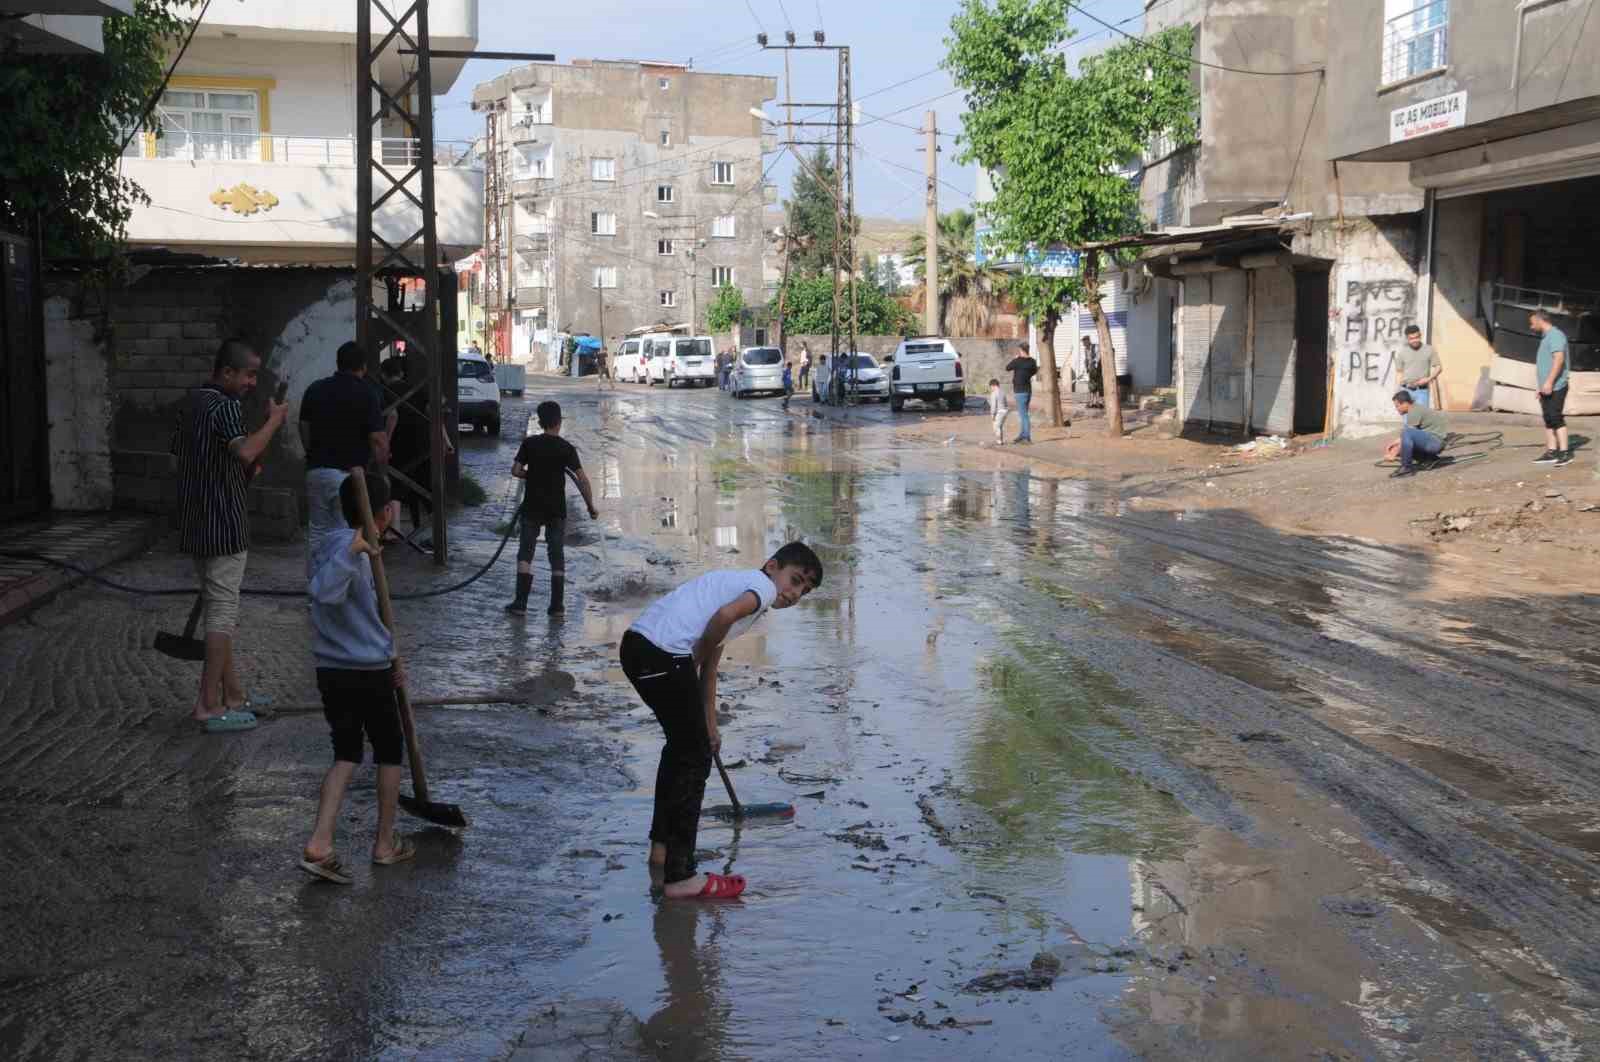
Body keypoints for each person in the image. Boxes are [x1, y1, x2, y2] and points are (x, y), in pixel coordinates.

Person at [621, 542, 823, 899]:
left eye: (803, 591)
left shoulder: (741, 590)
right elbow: (721, 620)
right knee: (694, 758)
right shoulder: (759, 588)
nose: (794, 594)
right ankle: (681, 876)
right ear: (772, 566)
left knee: (684, 748)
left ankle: (662, 850)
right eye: (794, 581)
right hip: (663, 653)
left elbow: (709, 667)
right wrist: (693, 659)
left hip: (642, 648)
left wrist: (710, 725)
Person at [298, 472, 413, 883]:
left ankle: (321, 842)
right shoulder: (352, 552)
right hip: (361, 671)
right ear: (383, 513)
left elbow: (373, 620)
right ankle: (383, 843)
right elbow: (324, 592)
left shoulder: (327, 543)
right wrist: (354, 554)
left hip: (338, 668)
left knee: (346, 754)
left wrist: (394, 656)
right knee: (388, 751)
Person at [170, 338, 288, 732]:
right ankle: (208, 705)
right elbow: (244, 452)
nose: (253, 382)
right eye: (249, 374)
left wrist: (237, 472)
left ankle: (233, 695)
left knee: (220, 609)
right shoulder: (225, 406)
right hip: (223, 524)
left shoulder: (190, 403)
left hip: (194, 519)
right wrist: (273, 421)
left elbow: (191, 457)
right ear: (227, 373)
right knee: (221, 615)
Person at [299, 341, 388, 568]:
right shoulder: (368, 394)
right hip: (349, 477)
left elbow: (304, 428)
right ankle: (340, 591)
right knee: (346, 535)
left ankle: (316, 590)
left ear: (338, 363)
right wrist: (381, 473)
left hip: (317, 472)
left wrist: (313, 455)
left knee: (318, 532)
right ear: (364, 367)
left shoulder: (315, 389)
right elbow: (378, 440)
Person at [507, 400, 599, 616]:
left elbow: (515, 470)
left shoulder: (530, 444)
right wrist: (591, 507)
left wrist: (531, 474)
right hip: (556, 510)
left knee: (525, 553)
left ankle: (520, 604)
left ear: (540, 422)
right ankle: (557, 607)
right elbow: (583, 480)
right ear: (559, 421)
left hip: (532, 506)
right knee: (556, 554)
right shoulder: (566, 448)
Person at [1529, 310, 1573, 466]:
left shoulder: (1555, 335)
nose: (1531, 326)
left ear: (1540, 320)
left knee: (1555, 417)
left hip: (1556, 386)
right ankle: (1551, 452)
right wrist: (1540, 386)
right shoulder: (1546, 337)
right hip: (1546, 387)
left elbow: (1559, 360)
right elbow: (1545, 364)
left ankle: (1565, 453)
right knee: (1548, 419)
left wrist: (1549, 382)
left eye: (1532, 322)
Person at [1385, 389, 1447, 477]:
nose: (1397, 409)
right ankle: (1430, 459)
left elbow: (1407, 433)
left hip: (1435, 443)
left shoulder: (1414, 411)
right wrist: (1393, 444)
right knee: (1404, 443)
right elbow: (1406, 437)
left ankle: (1407, 468)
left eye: (1397, 406)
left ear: (1405, 403)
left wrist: (1393, 454)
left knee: (1406, 434)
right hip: (1434, 442)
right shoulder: (1415, 408)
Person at [1395, 324, 1442, 409]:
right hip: (1406, 391)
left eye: (1416, 337)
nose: (1414, 340)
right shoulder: (1403, 352)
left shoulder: (1429, 349)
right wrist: (1398, 391)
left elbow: (1438, 367)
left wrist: (1428, 379)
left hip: (1422, 391)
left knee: (1422, 420)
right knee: (1408, 420)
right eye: (1411, 338)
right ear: (1407, 339)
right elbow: (1399, 372)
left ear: (1420, 335)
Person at [1005, 342, 1038, 444]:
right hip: (1028, 391)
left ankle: (1027, 436)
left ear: (1021, 350)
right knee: (1024, 414)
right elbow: (1034, 372)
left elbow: (1007, 368)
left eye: (1019, 350)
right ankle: (1022, 435)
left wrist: (1015, 359)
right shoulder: (1032, 361)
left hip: (1019, 391)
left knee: (1024, 415)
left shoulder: (1017, 361)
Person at [988, 377, 1008, 445]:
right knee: (1000, 426)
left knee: (996, 427)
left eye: (991, 387)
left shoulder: (994, 393)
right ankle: (1000, 440)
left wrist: (992, 414)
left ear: (993, 385)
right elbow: (1006, 402)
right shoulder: (1003, 392)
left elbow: (993, 406)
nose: (991, 388)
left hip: (999, 412)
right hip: (1005, 411)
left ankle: (999, 441)